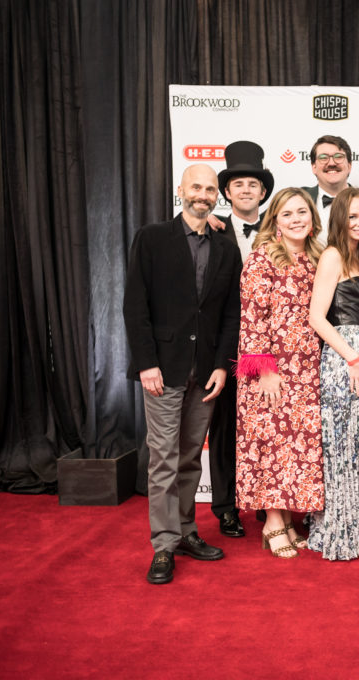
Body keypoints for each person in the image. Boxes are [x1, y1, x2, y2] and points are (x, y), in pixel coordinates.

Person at [123, 164, 241, 584]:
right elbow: (135, 304)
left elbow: (231, 314)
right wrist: (146, 363)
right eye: (196, 186)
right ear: (181, 189)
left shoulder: (226, 248)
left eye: (210, 189)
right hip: (163, 369)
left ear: (217, 196)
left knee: (191, 457)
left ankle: (187, 531)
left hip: (206, 372)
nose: (203, 194)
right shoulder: (152, 238)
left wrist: (222, 366)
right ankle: (163, 545)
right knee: (163, 460)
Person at [234, 187, 325, 559]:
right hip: (273, 368)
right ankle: (272, 521)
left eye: (302, 212)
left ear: (312, 217)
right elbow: (252, 318)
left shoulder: (316, 257)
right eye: (287, 214)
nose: (296, 219)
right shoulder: (262, 258)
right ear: (275, 222)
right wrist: (265, 371)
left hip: (307, 368)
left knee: (293, 446)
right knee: (271, 444)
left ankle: (286, 518)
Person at [307, 187, 359, 560]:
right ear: (340, 217)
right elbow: (316, 317)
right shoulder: (333, 255)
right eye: (353, 216)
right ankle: (340, 535)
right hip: (345, 359)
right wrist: (352, 357)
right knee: (342, 446)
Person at [205, 140, 275, 538]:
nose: (246, 190)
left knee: (269, 423)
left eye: (253, 184)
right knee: (225, 428)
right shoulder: (210, 230)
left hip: (267, 347)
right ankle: (227, 507)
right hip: (226, 345)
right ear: (227, 192)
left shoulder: (281, 229)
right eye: (238, 184)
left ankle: (268, 503)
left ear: (263, 192)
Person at [301, 135, 359, 247]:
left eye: (338, 157)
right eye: (323, 157)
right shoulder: (296, 201)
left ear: (349, 166)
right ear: (314, 167)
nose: (331, 163)